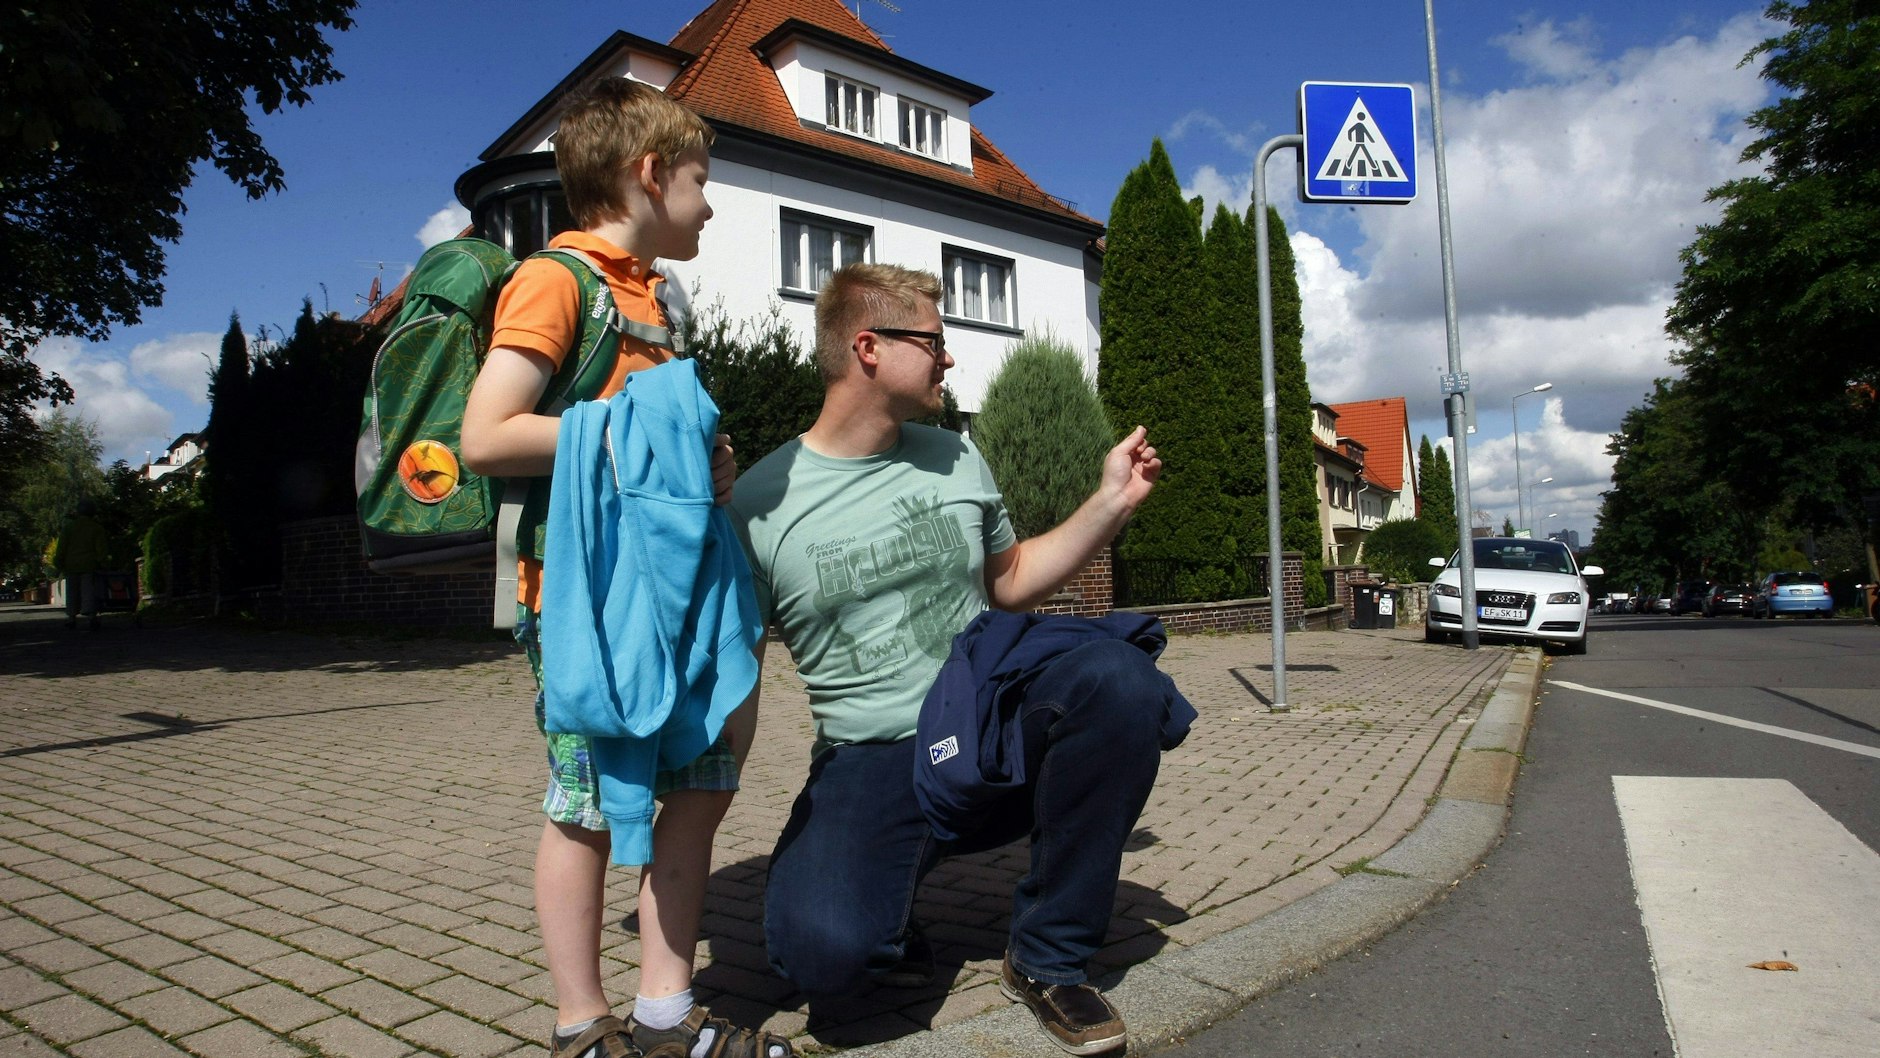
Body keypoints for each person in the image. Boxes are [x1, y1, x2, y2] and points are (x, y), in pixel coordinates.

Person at [729, 263, 1177, 1056]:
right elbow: (735, 664)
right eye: (934, 341)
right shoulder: (762, 502)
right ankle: (885, 917)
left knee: (1117, 681)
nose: (949, 359)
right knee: (823, 960)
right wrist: (706, 793)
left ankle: (1048, 957)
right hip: (872, 755)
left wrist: (1112, 502)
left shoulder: (953, 456)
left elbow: (1009, 582)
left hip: (985, 720)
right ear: (868, 347)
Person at [462, 78, 789, 1058]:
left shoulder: (659, 296)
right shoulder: (557, 281)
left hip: (679, 598)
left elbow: (665, 437)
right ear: (650, 176)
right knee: (592, 810)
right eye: (699, 179)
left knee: (690, 796)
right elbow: (486, 433)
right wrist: (636, 445)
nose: (710, 200)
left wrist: (713, 459)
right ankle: (578, 1023)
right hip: (588, 604)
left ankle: (661, 1012)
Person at [51, 499, 110, 632]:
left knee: (72, 592)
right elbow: (101, 549)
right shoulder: (96, 528)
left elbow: (62, 548)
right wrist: (103, 562)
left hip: (71, 565)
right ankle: (91, 617)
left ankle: (71, 618)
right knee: (88, 591)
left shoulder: (69, 528)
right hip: (89, 564)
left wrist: (58, 563)